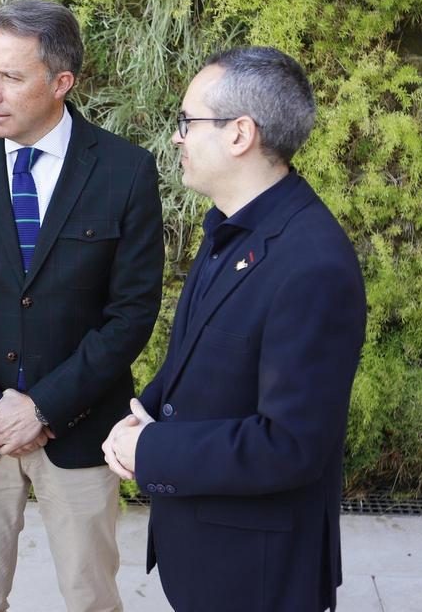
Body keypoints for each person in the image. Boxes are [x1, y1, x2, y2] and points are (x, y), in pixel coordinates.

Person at [0, 0, 165, 612]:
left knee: (91, 598)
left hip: (79, 431)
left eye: (11, 76)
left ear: (61, 83)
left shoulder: (126, 172)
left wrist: (45, 407)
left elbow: (131, 312)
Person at [102, 47, 366, 612]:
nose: (177, 138)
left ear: (240, 133)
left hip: (256, 574)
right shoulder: (233, 225)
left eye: (187, 122)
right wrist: (145, 412)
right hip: (207, 554)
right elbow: (201, 356)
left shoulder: (311, 262)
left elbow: (291, 444)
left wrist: (153, 450)